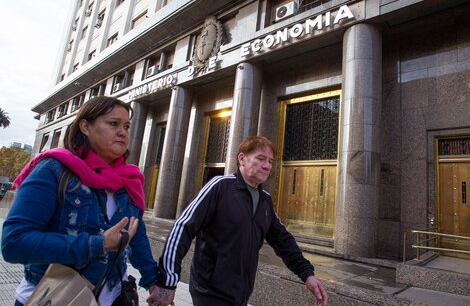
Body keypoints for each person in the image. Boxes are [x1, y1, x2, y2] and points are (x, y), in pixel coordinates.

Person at [2, 96, 158, 306]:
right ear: (85, 126)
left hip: (115, 298)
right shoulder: (53, 170)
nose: (123, 132)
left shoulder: (129, 180)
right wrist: (98, 244)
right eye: (113, 124)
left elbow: (136, 237)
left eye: (127, 126)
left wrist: (154, 282)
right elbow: (14, 242)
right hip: (55, 296)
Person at [148, 136, 328, 306]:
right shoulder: (220, 186)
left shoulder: (265, 201)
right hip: (210, 292)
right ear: (242, 159)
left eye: (270, 161)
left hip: (241, 294)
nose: (267, 166)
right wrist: (167, 281)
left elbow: (283, 240)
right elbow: (183, 227)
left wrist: (307, 274)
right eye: (260, 158)